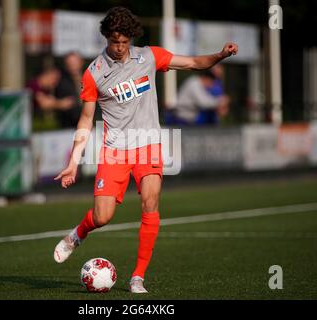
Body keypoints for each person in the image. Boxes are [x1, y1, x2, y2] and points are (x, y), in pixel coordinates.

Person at [53, 6, 238, 293]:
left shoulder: (149, 56)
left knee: (150, 204)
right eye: (114, 41)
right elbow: (87, 119)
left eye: (125, 42)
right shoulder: (94, 73)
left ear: (131, 39)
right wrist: (74, 161)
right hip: (114, 151)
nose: (119, 48)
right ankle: (79, 233)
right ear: (106, 38)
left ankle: (137, 277)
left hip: (148, 145)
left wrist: (219, 55)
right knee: (102, 217)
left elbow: (193, 63)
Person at [55, 52, 85, 128]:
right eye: (69, 63)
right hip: (69, 127)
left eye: (74, 63)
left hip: (93, 124)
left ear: (81, 63)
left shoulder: (91, 79)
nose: (72, 66)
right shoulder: (61, 82)